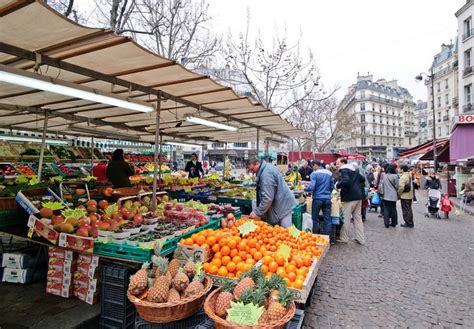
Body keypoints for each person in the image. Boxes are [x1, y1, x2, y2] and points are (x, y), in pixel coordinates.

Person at [247, 157, 296, 227]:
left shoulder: (266, 175)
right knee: (280, 232)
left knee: (286, 233)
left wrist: (257, 212)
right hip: (281, 203)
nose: (252, 172)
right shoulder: (266, 167)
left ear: (257, 164)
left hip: (282, 206)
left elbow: (267, 197)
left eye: (252, 169)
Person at [335, 158, 366, 245]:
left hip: (349, 197)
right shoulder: (354, 170)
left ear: (342, 163)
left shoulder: (344, 170)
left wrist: (338, 185)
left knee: (346, 217)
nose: (336, 165)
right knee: (358, 218)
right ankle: (360, 238)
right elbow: (362, 179)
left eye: (337, 163)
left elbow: (346, 181)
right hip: (358, 196)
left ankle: (344, 238)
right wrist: (355, 185)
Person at [304, 160, 334, 239]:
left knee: (315, 218)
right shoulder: (329, 173)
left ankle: (315, 236)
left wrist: (304, 189)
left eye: (312, 166)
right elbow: (332, 187)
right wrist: (327, 193)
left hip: (317, 199)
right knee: (327, 219)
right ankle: (327, 238)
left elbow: (311, 187)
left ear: (315, 165)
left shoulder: (314, 174)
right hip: (327, 199)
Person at [382, 164, 399, 228]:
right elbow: (397, 186)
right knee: (393, 209)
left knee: (386, 209)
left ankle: (386, 223)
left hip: (386, 194)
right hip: (393, 195)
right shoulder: (395, 176)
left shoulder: (384, 175)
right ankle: (394, 223)